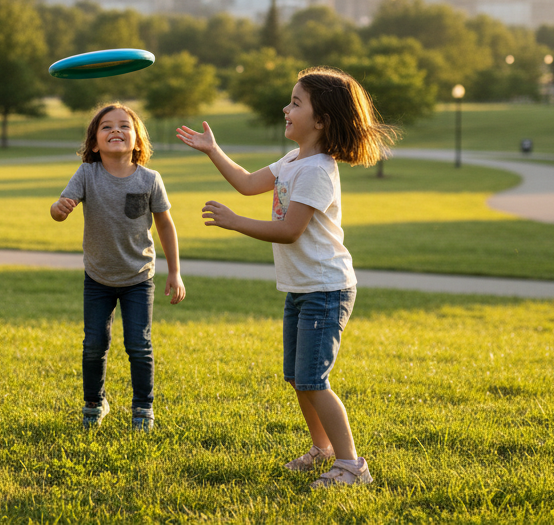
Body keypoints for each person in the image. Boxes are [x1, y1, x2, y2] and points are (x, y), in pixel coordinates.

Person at [175, 67, 395, 488]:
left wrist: (236, 223)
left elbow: (290, 229)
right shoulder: (294, 160)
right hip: (301, 287)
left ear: (322, 120)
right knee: (298, 377)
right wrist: (212, 150)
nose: (285, 108)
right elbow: (246, 183)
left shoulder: (317, 170)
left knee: (314, 379)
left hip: (326, 289)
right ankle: (323, 450)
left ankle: (351, 466)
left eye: (296, 102)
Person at [50, 103, 186, 431]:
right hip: (97, 277)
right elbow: (57, 211)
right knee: (94, 343)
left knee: (138, 344)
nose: (116, 130)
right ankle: (94, 404)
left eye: (125, 126)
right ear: (95, 143)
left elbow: (166, 226)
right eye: (107, 126)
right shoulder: (86, 174)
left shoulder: (150, 179)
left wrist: (175, 271)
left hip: (139, 277)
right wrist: (60, 208)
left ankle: (143, 408)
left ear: (137, 140)